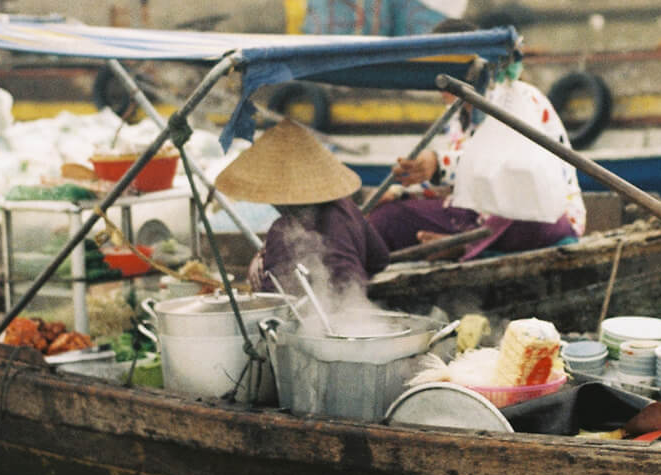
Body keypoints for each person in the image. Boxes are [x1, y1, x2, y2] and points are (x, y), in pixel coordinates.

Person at [367, 20, 585, 260]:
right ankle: (465, 246)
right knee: (386, 219)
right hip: (474, 218)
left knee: (522, 212)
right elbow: (459, 187)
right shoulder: (457, 115)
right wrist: (402, 191)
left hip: (537, 218)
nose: (440, 83)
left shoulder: (519, 99)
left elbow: (511, 169)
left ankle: (465, 248)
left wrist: (439, 164)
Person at [214, 119, 390, 301]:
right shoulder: (347, 207)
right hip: (359, 310)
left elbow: (273, 302)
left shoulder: (283, 231)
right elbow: (380, 259)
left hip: (320, 322)